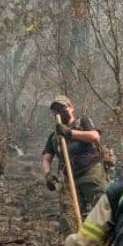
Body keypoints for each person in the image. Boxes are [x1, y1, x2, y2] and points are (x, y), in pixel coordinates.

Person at [42, 95, 109, 227]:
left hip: (91, 173)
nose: (59, 112)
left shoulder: (82, 122)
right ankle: (77, 245)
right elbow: (46, 158)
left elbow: (95, 137)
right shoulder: (54, 136)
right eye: (55, 111)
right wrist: (47, 175)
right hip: (69, 178)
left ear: (71, 108)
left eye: (62, 108)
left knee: (104, 211)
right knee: (69, 218)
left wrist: (70, 133)